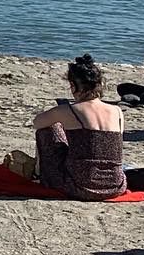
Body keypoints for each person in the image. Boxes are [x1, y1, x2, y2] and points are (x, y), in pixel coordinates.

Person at [33, 55, 124, 200]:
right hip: (116, 185)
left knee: (48, 129)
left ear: (73, 86)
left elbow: (37, 123)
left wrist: (61, 124)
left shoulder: (69, 110)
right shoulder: (117, 111)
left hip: (81, 185)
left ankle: (38, 174)